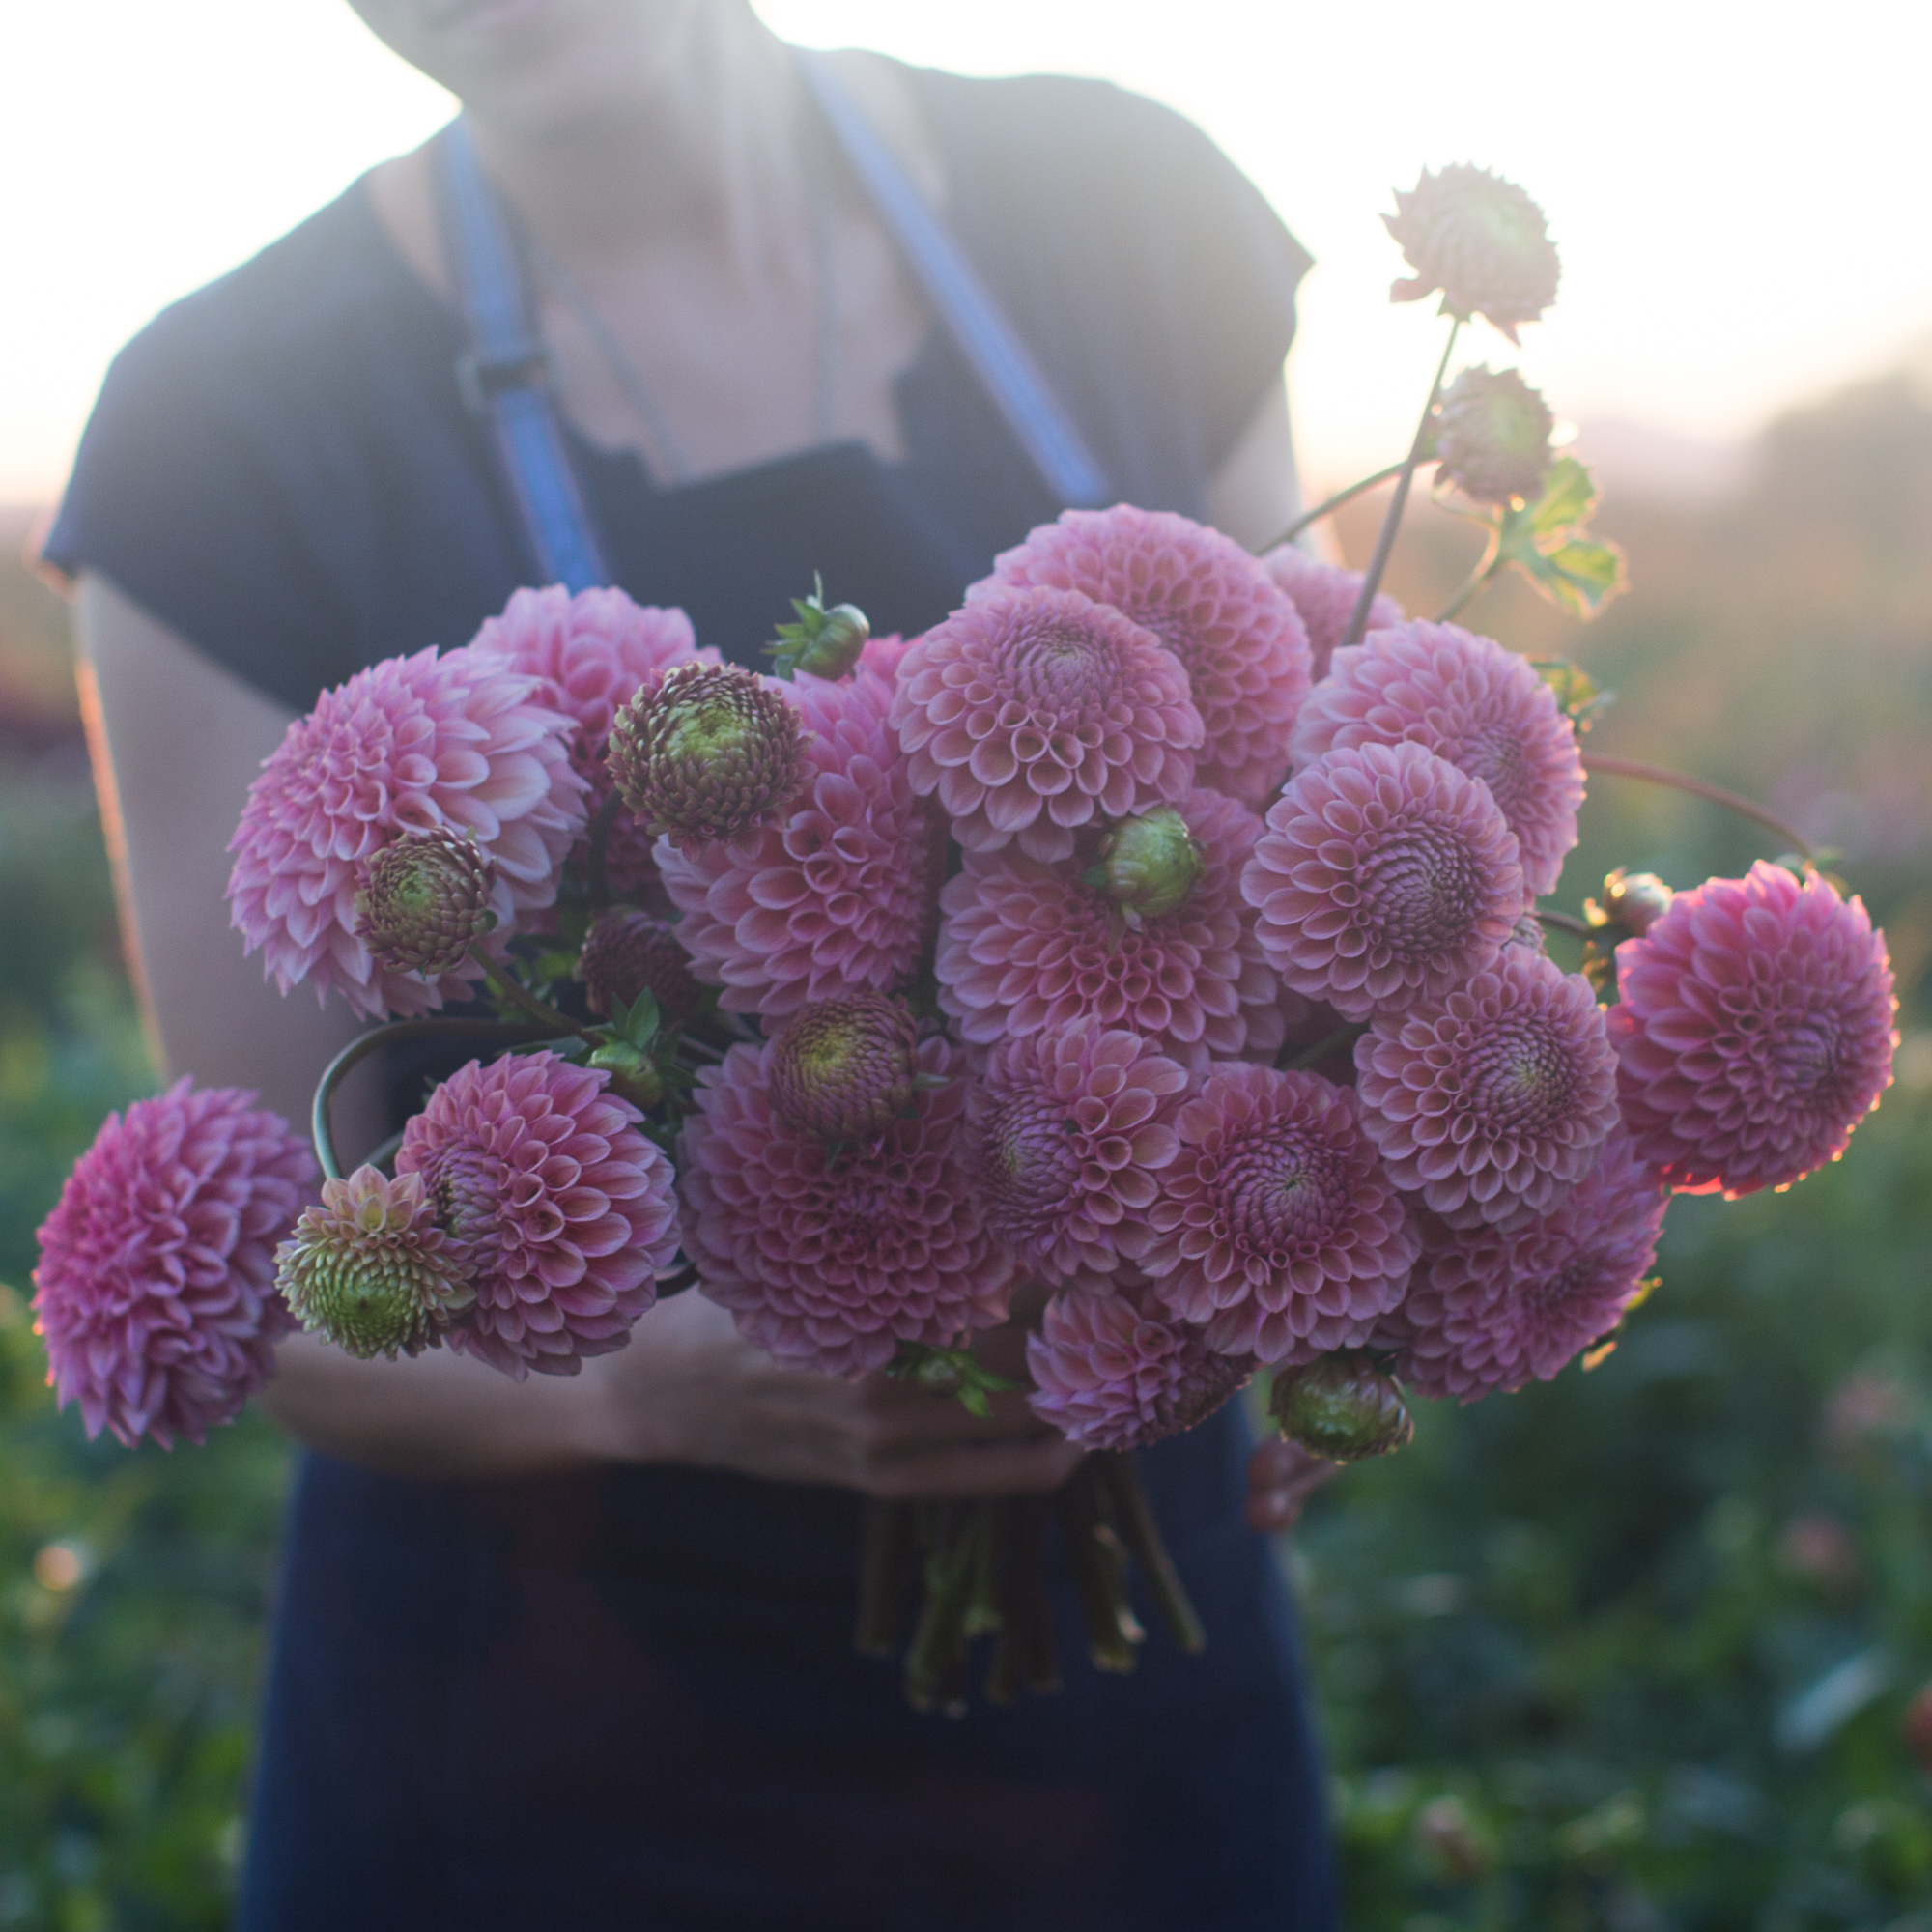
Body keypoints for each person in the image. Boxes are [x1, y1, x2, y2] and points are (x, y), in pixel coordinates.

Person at [48, 3, 1341, 1924]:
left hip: (1130, 1700)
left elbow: (1306, 857)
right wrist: (650, 1395)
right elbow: (279, 1277)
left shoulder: (1127, 209)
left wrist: (1315, 1264)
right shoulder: (218, 429)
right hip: (542, 1746)